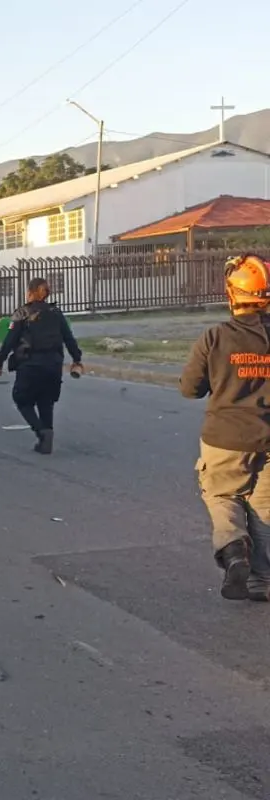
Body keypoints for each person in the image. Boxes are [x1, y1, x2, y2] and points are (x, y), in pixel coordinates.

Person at [180, 253, 270, 602]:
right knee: (264, 511)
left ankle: (234, 550)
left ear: (232, 294)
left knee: (221, 495)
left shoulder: (215, 338)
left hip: (225, 438)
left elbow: (190, 389)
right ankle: (262, 583)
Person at [0, 277, 84, 455]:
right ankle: (46, 439)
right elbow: (68, 338)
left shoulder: (22, 313)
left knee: (21, 399)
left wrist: (0, 360)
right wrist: (77, 358)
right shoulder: (56, 313)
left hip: (30, 364)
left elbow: (10, 339)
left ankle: (40, 431)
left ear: (30, 293)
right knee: (46, 401)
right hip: (53, 365)